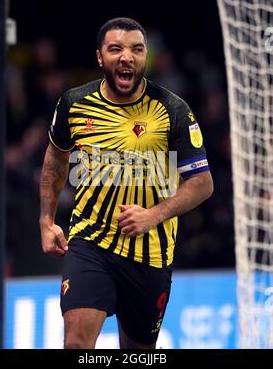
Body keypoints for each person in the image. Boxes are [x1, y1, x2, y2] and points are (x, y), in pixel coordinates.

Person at [39, 17, 213, 349]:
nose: (126, 57)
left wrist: (154, 215)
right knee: (76, 344)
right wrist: (46, 220)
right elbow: (55, 159)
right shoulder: (75, 104)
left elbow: (202, 183)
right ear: (100, 57)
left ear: (145, 57)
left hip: (150, 256)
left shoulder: (173, 110)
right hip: (91, 243)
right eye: (115, 48)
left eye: (136, 49)